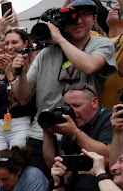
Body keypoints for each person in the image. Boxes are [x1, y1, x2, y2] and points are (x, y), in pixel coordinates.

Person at [14, 0, 116, 172]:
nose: (78, 21)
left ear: (94, 19)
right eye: (72, 17)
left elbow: (89, 66)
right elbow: (23, 98)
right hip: (42, 133)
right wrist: (21, 74)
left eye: (85, 14)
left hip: (80, 135)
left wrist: (60, 39)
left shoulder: (101, 44)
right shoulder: (45, 53)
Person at [0, 28, 36, 161]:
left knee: (17, 165)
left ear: (25, 44)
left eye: (14, 42)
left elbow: (22, 99)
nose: (10, 47)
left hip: (20, 121)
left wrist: (9, 73)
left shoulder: (30, 66)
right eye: (6, 43)